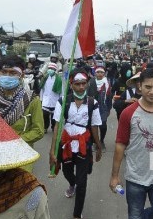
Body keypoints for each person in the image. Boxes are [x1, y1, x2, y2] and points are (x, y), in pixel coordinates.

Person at [110, 68, 153, 219]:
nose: (152, 92)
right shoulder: (128, 113)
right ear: (140, 86)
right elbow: (120, 145)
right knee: (134, 216)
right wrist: (114, 176)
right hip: (135, 178)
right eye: (148, 87)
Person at [49, 68, 102, 219]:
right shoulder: (63, 101)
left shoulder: (93, 103)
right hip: (66, 143)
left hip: (84, 144)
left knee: (82, 181)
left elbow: (94, 126)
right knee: (66, 171)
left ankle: (77, 214)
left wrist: (98, 146)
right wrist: (52, 150)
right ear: (71, 84)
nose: (81, 87)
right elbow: (57, 125)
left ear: (87, 84)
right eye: (77, 84)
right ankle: (72, 184)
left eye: (83, 83)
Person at [0, 55, 45, 172]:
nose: (7, 76)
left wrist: (14, 141)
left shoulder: (32, 100)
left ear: (21, 75)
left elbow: (38, 131)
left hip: (21, 157)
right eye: (4, 72)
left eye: (13, 73)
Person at [90, 66, 112, 151]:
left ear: (104, 74)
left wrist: (109, 108)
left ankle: (101, 141)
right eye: (98, 72)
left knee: (103, 126)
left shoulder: (107, 83)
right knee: (93, 125)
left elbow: (109, 96)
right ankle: (95, 142)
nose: (99, 74)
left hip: (103, 108)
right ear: (95, 73)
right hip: (93, 107)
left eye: (101, 72)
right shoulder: (91, 82)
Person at [39, 62, 62, 133]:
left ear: (55, 70)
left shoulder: (58, 79)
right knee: (44, 115)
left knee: (54, 117)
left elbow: (61, 91)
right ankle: (45, 127)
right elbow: (42, 89)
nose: (50, 70)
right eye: (49, 68)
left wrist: (61, 100)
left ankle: (53, 127)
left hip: (55, 100)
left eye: (52, 69)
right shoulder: (45, 78)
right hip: (46, 100)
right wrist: (41, 99)